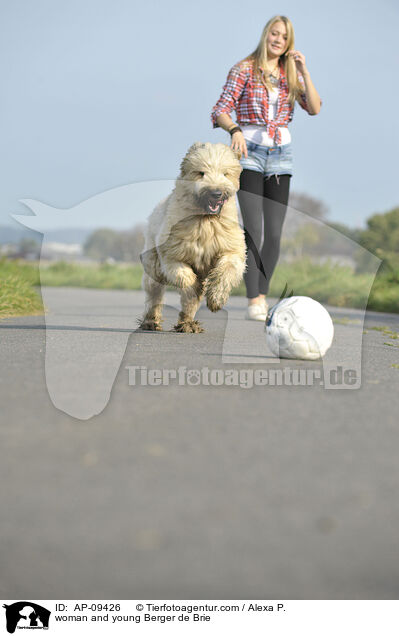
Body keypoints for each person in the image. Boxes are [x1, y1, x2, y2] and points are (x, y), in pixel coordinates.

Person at [211, 15, 322, 320]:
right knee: (254, 229)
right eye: (274, 34)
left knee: (274, 233)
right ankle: (253, 300)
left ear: (289, 43)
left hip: (280, 155)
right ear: (265, 35)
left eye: (284, 37)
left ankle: (262, 293)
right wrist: (234, 130)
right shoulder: (244, 69)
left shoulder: (290, 75)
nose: (277, 40)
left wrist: (304, 72)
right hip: (248, 152)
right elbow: (220, 108)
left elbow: (313, 107)